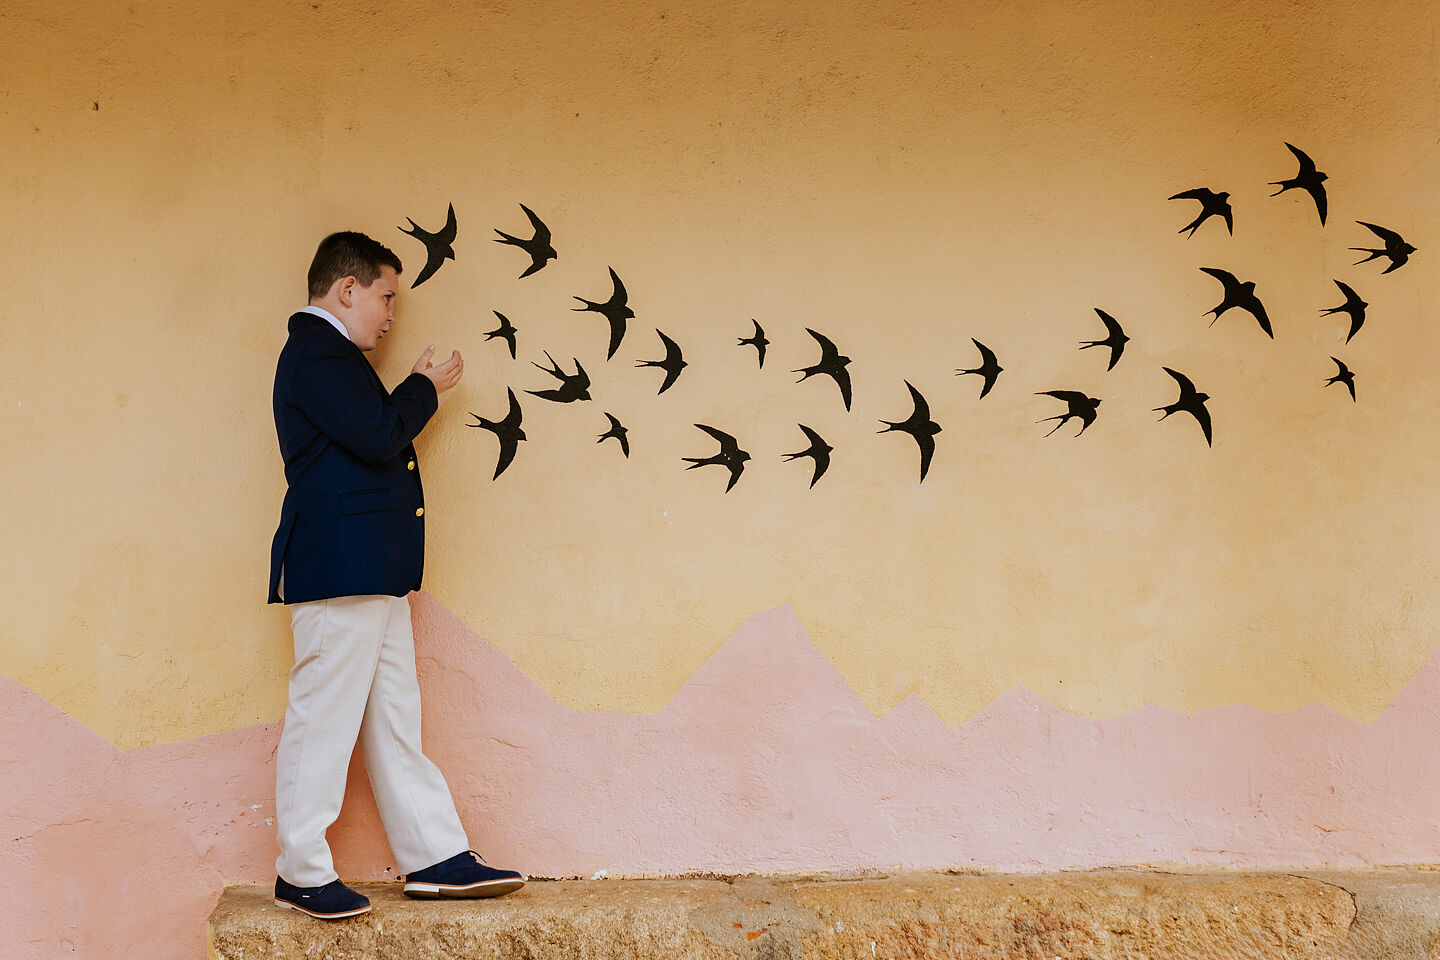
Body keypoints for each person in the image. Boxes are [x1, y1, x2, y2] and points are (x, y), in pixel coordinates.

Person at [266, 231, 524, 919]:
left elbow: (369, 433)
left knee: (393, 717)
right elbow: (379, 434)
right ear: (347, 289)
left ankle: (434, 856)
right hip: (340, 569)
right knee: (324, 717)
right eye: (385, 298)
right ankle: (300, 869)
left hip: (367, 569)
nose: (389, 315)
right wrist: (423, 388)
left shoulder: (331, 356)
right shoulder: (316, 351)